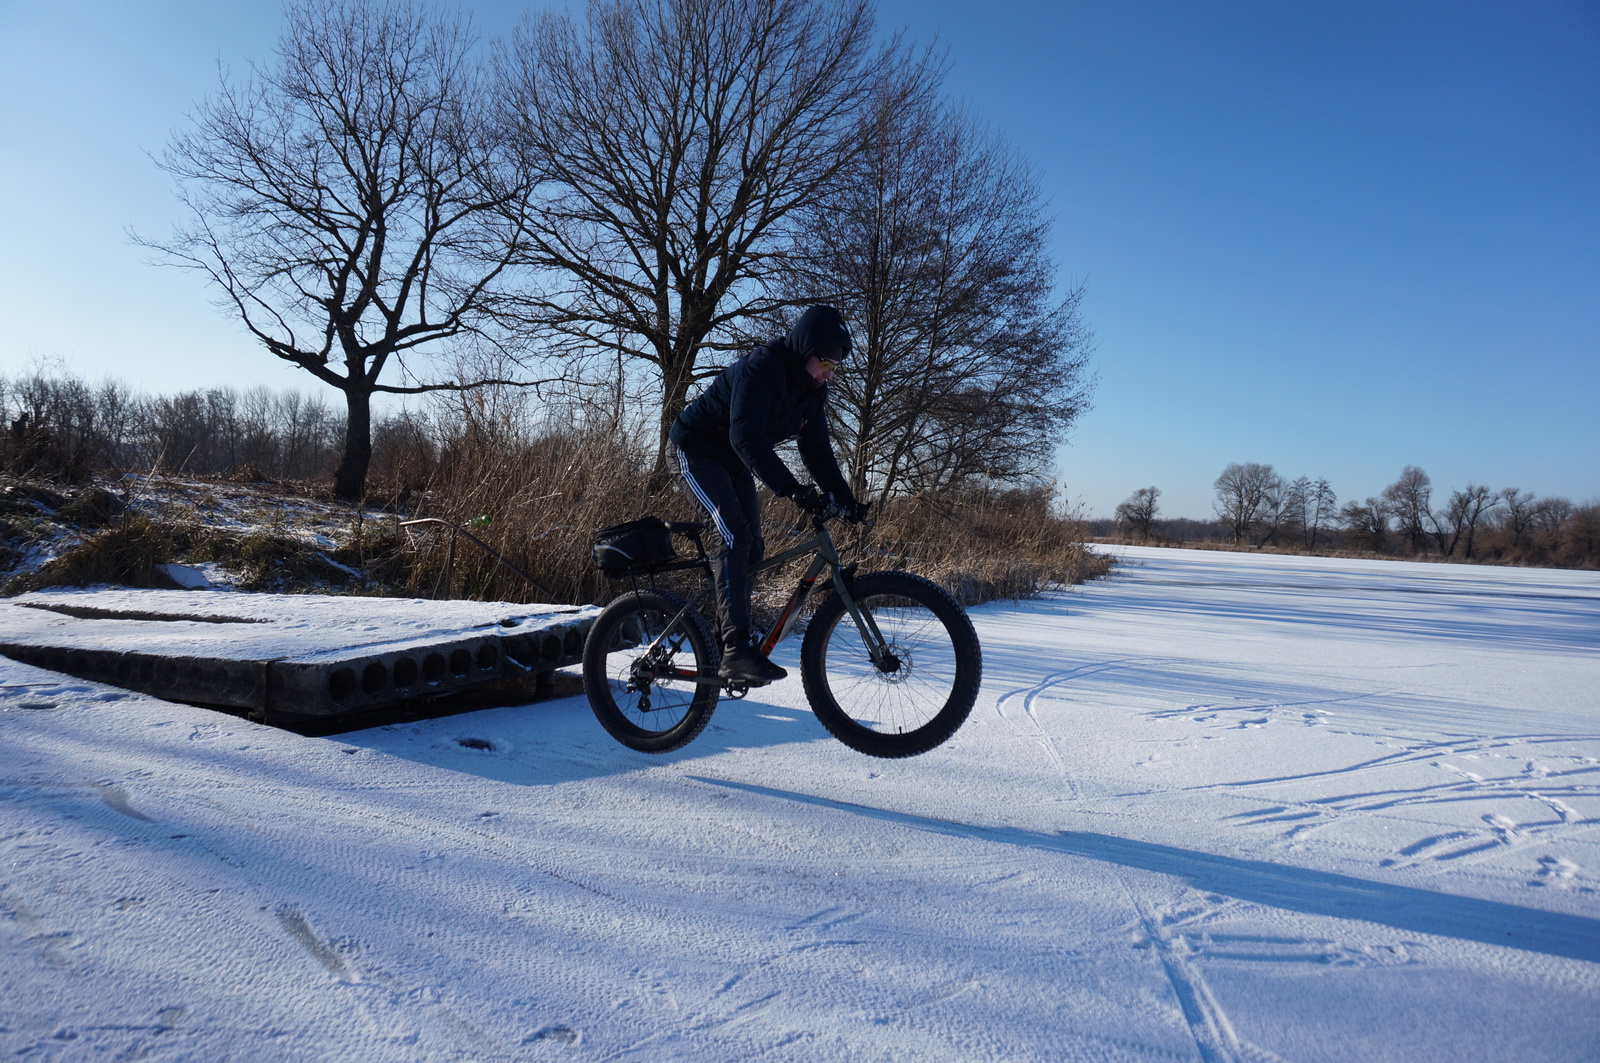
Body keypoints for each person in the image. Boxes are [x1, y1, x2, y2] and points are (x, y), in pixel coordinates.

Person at [669, 305, 868, 685]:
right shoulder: (763, 369)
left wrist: (847, 499)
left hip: (733, 463)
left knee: (753, 549)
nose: (830, 372)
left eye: (836, 366)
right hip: (693, 450)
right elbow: (745, 436)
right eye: (826, 361)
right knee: (732, 537)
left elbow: (818, 454)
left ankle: (719, 638)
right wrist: (792, 489)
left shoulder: (813, 392)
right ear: (806, 348)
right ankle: (735, 651)